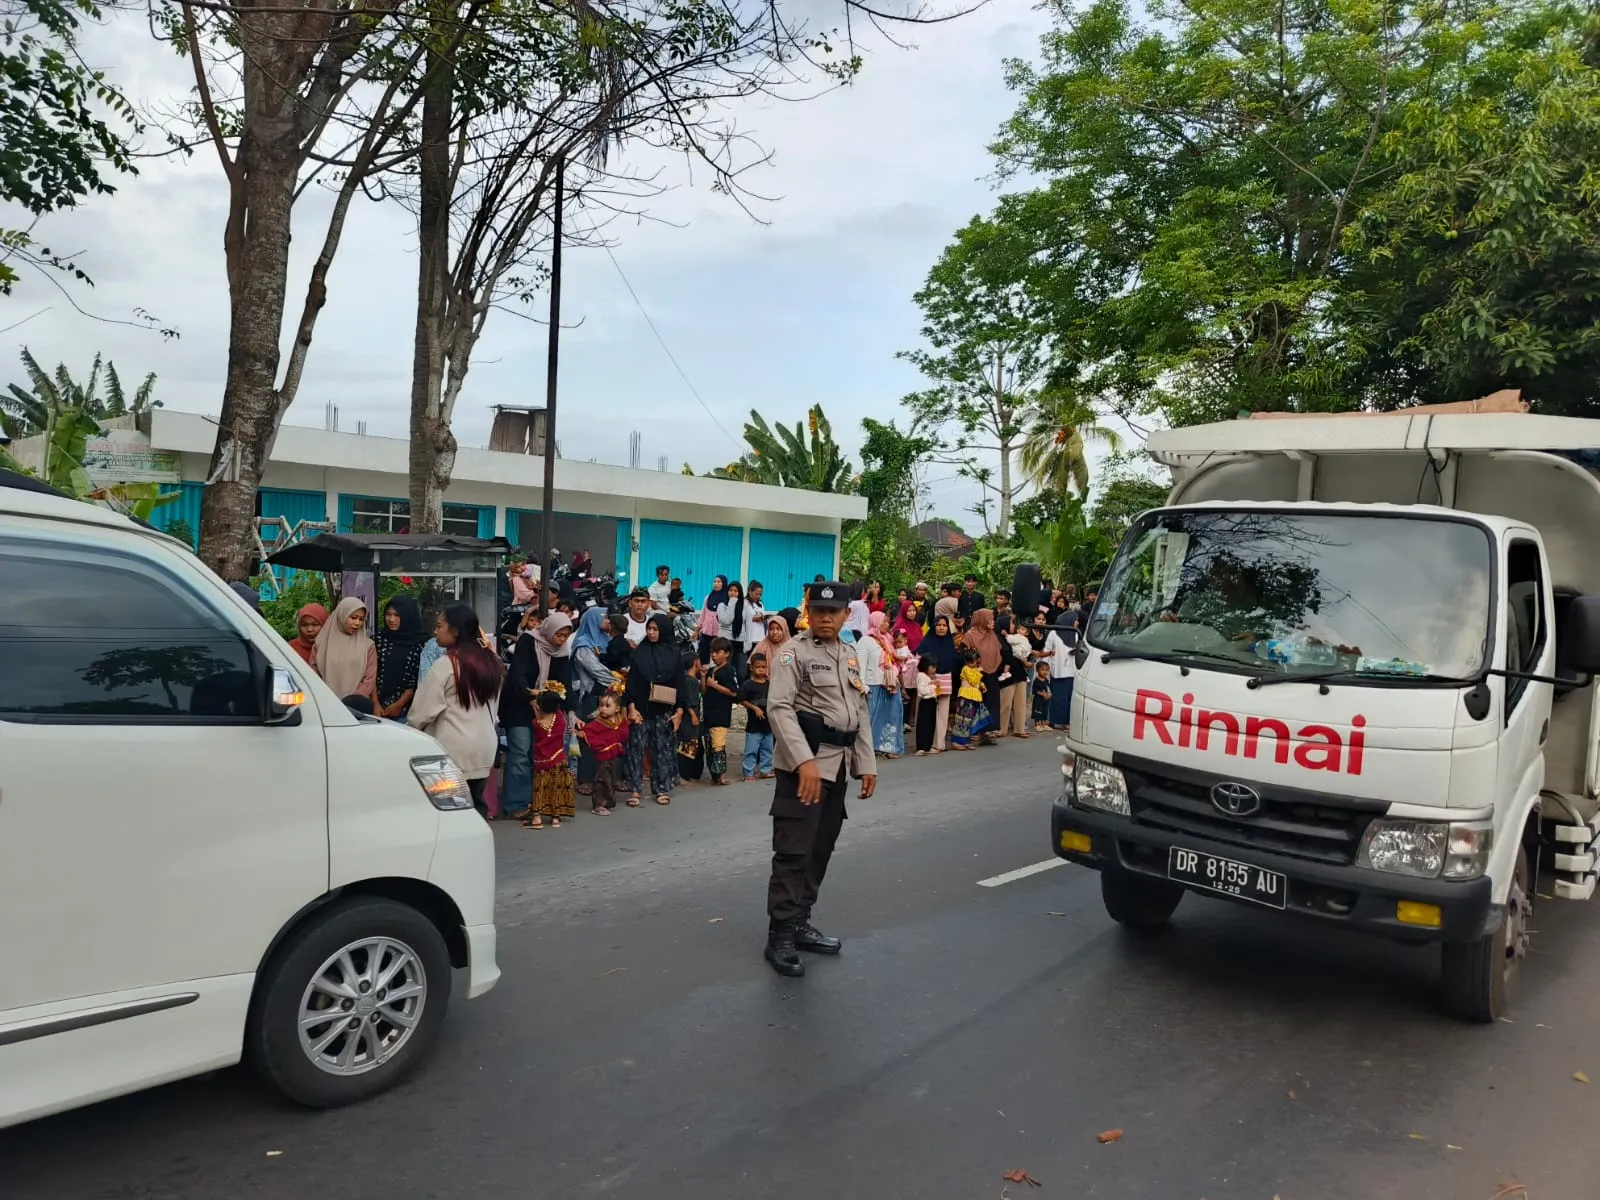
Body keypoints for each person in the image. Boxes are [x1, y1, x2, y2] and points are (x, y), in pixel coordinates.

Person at [762, 581, 876, 979]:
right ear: (809, 612)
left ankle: (799, 921)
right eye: (819, 611)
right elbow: (778, 708)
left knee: (819, 850)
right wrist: (803, 761)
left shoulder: (848, 654)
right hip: (805, 769)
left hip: (838, 767)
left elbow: (858, 708)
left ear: (847, 614)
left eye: (835, 611)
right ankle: (780, 935)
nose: (827, 618)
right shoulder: (794, 653)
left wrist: (867, 764)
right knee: (794, 851)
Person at [409, 604, 504, 818]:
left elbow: (421, 713)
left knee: (450, 814)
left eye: (439, 626)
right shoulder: (492, 662)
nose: (435, 631)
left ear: (456, 630)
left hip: (452, 752)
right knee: (475, 809)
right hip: (484, 748)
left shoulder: (445, 665)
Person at [624, 613, 686, 805]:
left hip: (663, 710)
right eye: (649, 629)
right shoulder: (640, 652)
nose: (651, 633)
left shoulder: (674, 655)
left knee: (662, 750)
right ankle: (634, 789)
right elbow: (631, 683)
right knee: (636, 749)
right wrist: (631, 708)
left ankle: (660, 788)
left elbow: (680, 684)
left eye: (655, 629)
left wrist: (679, 711)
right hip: (641, 708)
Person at [499, 609, 543, 821]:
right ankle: (515, 803)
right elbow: (518, 675)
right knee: (520, 754)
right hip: (518, 706)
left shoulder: (557, 648)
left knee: (539, 754)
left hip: (544, 708)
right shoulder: (527, 642)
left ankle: (537, 799)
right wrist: (531, 696)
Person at [525, 686, 573, 829]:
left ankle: (537, 819)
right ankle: (555, 818)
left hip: (542, 762)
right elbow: (554, 706)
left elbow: (538, 716)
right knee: (556, 788)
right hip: (558, 759)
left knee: (539, 789)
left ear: (539, 706)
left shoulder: (537, 724)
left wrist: (534, 703)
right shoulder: (560, 719)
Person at [314, 596, 377, 701]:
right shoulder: (321, 643)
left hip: (355, 707)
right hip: (325, 702)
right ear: (341, 615)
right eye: (353, 617)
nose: (357, 623)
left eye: (361, 619)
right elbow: (314, 673)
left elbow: (369, 679)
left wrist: (351, 702)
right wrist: (325, 697)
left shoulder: (368, 646)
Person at [374, 595, 427, 720]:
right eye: (388, 614)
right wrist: (375, 704)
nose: (391, 619)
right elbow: (371, 674)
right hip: (375, 708)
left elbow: (416, 679)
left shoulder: (421, 644)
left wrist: (399, 705)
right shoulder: (378, 641)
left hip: (405, 711)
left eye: (397, 615)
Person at [861, 610, 903, 758]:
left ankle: (890, 748)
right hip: (873, 685)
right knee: (873, 718)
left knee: (892, 716)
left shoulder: (889, 639)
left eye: (887, 621)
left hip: (890, 684)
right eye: (883, 621)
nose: (886, 624)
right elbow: (860, 665)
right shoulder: (866, 640)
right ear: (875, 622)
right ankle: (870, 747)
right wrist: (863, 686)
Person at [962, 608, 1004, 745]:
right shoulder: (970, 635)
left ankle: (988, 732)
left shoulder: (992, 635)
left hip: (991, 674)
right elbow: (965, 654)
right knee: (976, 704)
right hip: (976, 675)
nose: (992, 622)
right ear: (982, 620)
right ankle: (975, 733)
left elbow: (999, 652)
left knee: (991, 703)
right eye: (990, 619)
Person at [582, 692, 629, 814]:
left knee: (612, 779)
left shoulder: (620, 720)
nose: (603, 708)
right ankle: (599, 804)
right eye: (601, 705)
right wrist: (582, 734)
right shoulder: (597, 722)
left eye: (607, 706)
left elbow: (624, 733)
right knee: (602, 779)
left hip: (614, 754)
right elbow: (588, 732)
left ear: (617, 708)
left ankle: (608, 801)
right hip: (602, 756)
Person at [920, 611, 958, 751]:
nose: (941, 628)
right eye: (938, 625)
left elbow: (953, 662)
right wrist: (930, 676)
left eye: (944, 625)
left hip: (946, 678)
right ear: (934, 626)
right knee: (928, 712)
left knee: (943, 713)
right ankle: (925, 744)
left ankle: (939, 744)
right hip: (930, 679)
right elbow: (922, 660)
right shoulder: (927, 641)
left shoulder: (949, 643)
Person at [703, 637, 739, 785]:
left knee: (718, 744)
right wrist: (703, 677)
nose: (714, 655)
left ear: (727, 654)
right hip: (708, 712)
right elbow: (704, 691)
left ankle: (722, 775)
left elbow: (733, 692)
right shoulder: (711, 670)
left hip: (721, 713)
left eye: (718, 652)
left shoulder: (729, 670)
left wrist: (715, 685)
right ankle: (714, 775)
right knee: (710, 746)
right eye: (712, 652)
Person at [740, 652, 774, 780]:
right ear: (751, 668)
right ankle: (748, 772)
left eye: (763, 667)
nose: (761, 669)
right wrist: (754, 708)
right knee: (751, 750)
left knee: (767, 749)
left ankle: (765, 770)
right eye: (758, 667)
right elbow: (741, 699)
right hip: (754, 726)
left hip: (768, 724)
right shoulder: (748, 685)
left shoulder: (769, 683)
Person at [950, 649, 992, 750]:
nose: (974, 664)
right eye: (972, 662)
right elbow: (973, 681)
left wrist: (982, 685)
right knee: (962, 720)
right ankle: (956, 741)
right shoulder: (966, 669)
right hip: (966, 696)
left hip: (974, 696)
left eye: (976, 662)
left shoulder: (974, 669)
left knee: (970, 720)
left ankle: (965, 741)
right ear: (967, 662)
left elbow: (977, 682)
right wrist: (978, 672)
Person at [716, 581, 757, 679]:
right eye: (730, 590)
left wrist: (748, 644)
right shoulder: (722, 605)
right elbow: (726, 620)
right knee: (725, 672)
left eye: (735, 591)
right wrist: (732, 603)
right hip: (725, 643)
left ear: (740, 593)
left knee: (741, 673)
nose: (733, 593)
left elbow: (749, 625)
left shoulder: (745, 606)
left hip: (740, 643)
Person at [1044, 618, 1078, 731]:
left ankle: (1067, 722)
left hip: (1071, 670)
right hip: (1057, 669)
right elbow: (1047, 649)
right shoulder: (1053, 633)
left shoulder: (1075, 633)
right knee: (1057, 697)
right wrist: (1045, 667)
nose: (1077, 622)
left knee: (1069, 698)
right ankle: (1053, 720)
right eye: (1075, 620)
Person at [697, 575, 729, 663]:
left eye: (719, 582)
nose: (716, 584)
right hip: (706, 632)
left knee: (716, 658)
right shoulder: (708, 597)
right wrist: (698, 629)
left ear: (724, 584)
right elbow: (703, 613)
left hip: (718, 634)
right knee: (703, 656)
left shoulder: (727, 598)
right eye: (714, 581)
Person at [914, 656, 940, 755]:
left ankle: (928, 746)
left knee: (931, 724)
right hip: (926, 701)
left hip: (932, 701)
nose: (934, 669)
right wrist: (933, 686)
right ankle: (921, 747)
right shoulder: (921, 676)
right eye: (932, 667)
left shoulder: (928, 676)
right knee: (924, 724)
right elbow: (922, 691)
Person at [1031, 660, 1053, 730]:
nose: (1045, 672)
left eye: (1047, 670)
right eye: (1042, 670)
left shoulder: (1046, 680)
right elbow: (1034, 690)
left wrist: (1049, 694)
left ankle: (1044, 724)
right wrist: (1041, 694)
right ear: (1037, 670)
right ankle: (1037, 724)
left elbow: (1048, 688)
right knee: (1038, 711)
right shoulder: (1036, 681)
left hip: (1046, 700)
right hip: (1038, 700)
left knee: (1045, 711)